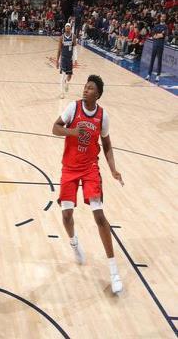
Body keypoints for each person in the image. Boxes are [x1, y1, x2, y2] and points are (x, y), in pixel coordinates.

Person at [52, 75, 124, 294]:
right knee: (67, 215)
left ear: (98, 94)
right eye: (85, 87)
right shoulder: (72, 108)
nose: (85, 90)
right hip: (70, 167)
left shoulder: (103, 116)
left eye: (90, 88)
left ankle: (114, 272)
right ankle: (74, 243)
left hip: (90, 168)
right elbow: (55, 128)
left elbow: (107, 144)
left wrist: (113, 169)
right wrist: (72, 131)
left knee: (99, 216)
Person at [56, 22, 77, 99]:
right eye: (66, 27)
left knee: (70, 75)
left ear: (70, 28)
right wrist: (57, 61)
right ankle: (61, 93)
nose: (67, 28)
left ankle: (67, 82)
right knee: (63, 75)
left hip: (70, 59)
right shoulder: (61, 37)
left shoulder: (73, 36)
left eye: (69, 27)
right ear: (65, 28)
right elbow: (59, 50)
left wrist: (75, 59)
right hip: (63, 58)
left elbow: (75, 49)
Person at [146, 14, 168, 84]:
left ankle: (158, 76)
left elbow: (163, 35)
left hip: (160, 45)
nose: (162, 18)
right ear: (160, 18)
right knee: (152, 60)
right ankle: (149, 74)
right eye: (162, 17)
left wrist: (157, 35)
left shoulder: (166, 26)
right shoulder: (156, 25)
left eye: (164, 17)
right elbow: (153, 35)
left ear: (165, 18)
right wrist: (158, 35)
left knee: (159, 61)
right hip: (155, 45)